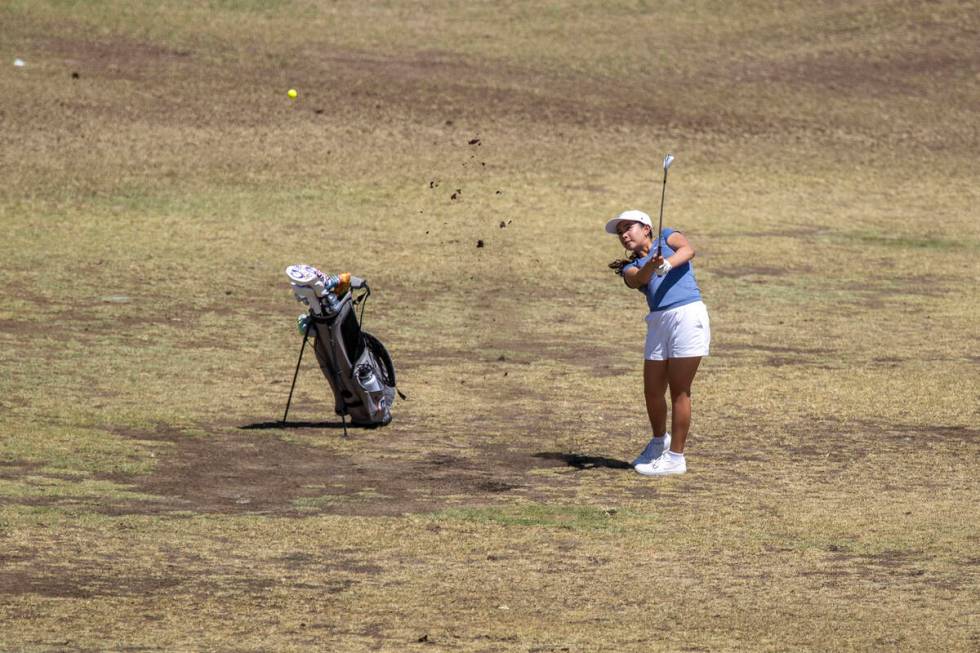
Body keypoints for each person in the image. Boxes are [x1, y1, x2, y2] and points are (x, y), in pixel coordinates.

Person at [606, 209, 710, 476]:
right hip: (658, 322)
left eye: (628, 228)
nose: (624, 235)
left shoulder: (667, 236)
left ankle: (676, 458)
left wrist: (668, 263)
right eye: (620, 232)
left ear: (647, 228)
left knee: (679, 389)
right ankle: (658, 442)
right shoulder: (630, 267)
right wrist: (653, 264)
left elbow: (688, 250)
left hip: (687, 315)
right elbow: (638, 279)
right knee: (652, 390)